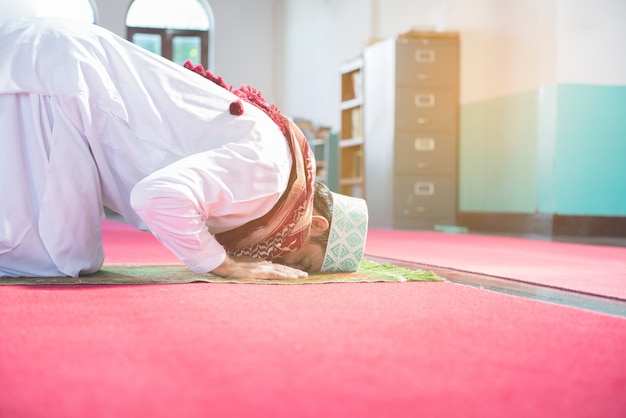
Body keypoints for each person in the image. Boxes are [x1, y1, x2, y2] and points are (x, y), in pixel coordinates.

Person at [0, 17, 368, 279]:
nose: (281, 263)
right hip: (56, 80)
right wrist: (226, 266)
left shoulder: (279, 161)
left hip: (51, 64)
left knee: (68, 255)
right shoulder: (269, 176)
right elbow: (158, 197)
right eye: (301, 261)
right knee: (53, 260)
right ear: (315, 224)